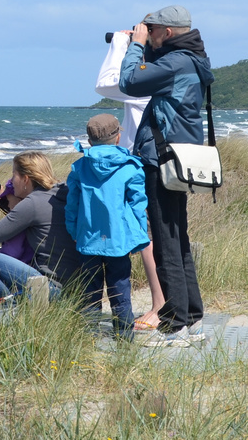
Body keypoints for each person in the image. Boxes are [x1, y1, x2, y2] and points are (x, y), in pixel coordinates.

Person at [119, 4, 214, 347]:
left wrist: (135, 46)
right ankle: (192, 318)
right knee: (178, 238)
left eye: (152, 29)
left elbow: (129, 81)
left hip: (161, 159)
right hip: (179, 158)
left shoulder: (174, 63)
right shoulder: (192, 59)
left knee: (166, 242)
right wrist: (145, 44)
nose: (149, 33)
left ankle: (174, 325)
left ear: (167, 32)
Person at [0, 151, 82, 332]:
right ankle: (6, 316)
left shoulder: (33, 203)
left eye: (14, 176)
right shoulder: (61, 192)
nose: (11, 181)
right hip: (76, 288)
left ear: (26, 179)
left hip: (49, 288)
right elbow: (24, 218)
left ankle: (4, 317)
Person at [96, 30, 166, 331]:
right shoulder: (170, 72)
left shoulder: (146, 82)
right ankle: (165, 303)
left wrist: (121, 44)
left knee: (148, 237)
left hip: (146, 163)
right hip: (161, 158)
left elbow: (104, 84)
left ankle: (160, 305)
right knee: (160, 235)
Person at [65, 114, 149, 337]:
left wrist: (73, 231)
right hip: (119, 240)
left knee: (90, 291)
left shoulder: (79, 167)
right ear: (118, 137)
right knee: (120, 288)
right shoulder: (130, 167)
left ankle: (90, 338)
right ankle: (124, 338)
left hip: (87, 238)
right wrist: (139, 235)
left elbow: (71, 205)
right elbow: (138, 205)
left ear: (90, 141)